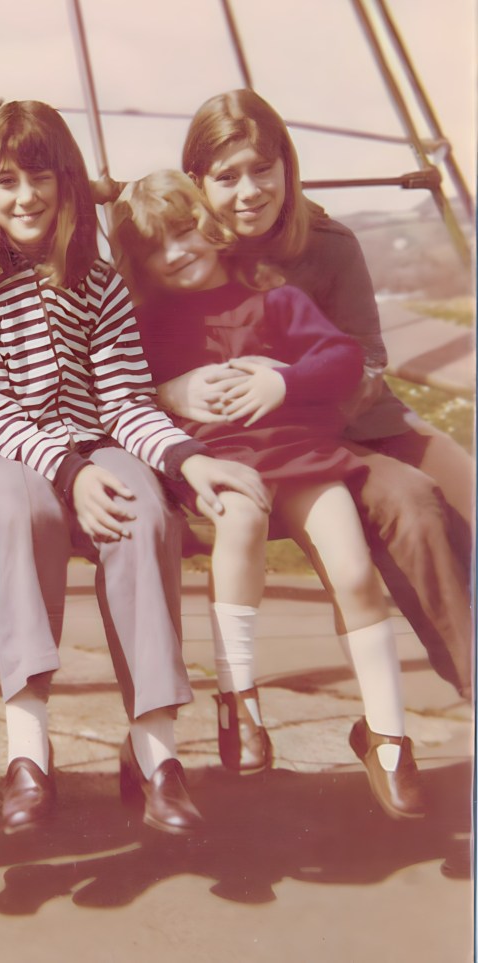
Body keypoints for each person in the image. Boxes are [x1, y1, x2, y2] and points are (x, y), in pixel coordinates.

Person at [0, 100, 270, 838]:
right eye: (6, 181)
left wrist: (188, 458)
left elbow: (123, 401)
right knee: (23, 511)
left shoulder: (98, 279)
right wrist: (70, 474)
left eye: (41, 177)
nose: (26, 197)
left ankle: (156, 752)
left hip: (95, 438)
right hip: (7, 452)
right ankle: (28, 751)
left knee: (145, 510)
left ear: (68, 181)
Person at [108, 169, 426, 819]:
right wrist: (171, 393)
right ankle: (239, 698)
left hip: (301, 456)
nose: (176, 252)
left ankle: (388, 733)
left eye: (183, 231)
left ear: (209, 225)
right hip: (220, 463)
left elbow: (342, 359)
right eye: (155, 248)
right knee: (241, 520)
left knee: (353, 570)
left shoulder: (272, 297)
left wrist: (284, 379)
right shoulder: (147, 323)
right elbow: (123, 396)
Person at [173, 89, 473, 700]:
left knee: (464, 485)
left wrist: (289, 380)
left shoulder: (329, 243)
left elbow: (368, 357)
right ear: (197, 182)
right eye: (227, 177)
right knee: (413, 504)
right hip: (281, 444)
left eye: (263, 169)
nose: (249, 191)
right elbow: (138, 348)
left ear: (287, 165)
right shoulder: (187, 256)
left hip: (359, 415)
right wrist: (170, 389)